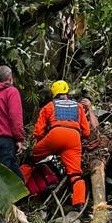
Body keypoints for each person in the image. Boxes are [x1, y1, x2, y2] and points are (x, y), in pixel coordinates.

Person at [29, 79, 94, 209]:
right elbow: (87, 132)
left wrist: (42, 142)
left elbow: (38, 132)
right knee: (75, 174)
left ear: (53, 93)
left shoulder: (49, 106)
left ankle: (26, 187)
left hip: (55, 135)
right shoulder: (78, 107)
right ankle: (79, 203)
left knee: (31, 159)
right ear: (67, 92)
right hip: (74, 138)